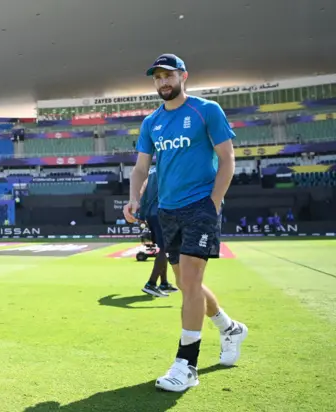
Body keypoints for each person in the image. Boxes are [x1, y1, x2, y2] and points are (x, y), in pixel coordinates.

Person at [123, 53, 248, 392]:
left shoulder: (206, 111)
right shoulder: (152, 123)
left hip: (200, 207)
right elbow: (139, 168)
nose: (163, 81)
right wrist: (134, 198)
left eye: (168, 75)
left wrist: (214, 202)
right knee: (184, 284)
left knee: (190, 282)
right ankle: (229, 327)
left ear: (183, 76)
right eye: (157, 77)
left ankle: (186, 365)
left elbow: (227, 159)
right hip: (168, 210)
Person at [138, 166, 179, 298]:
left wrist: (142, 216)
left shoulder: (151, 172)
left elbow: (143, 195)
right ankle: (151, 283)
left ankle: (164, 283)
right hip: (163, 212)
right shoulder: (169, 167)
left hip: (151, 214)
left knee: (162, 248)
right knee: (165, 249)